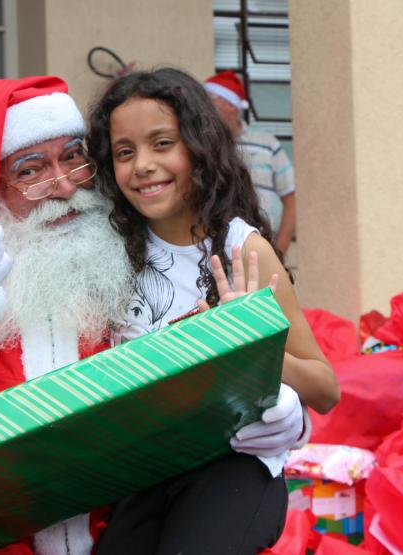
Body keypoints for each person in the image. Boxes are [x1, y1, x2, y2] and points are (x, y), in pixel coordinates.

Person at [0, 75, 319, 555]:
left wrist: (275, 409)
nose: (65, 186)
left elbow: (178, 346)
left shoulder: (112, 220)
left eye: (74, 156)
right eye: (30, 170)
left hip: (121, 521)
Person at [85, 67, 339, 553]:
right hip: (147, 475)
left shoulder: (245, 250)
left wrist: (247, 348)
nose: (142, 164)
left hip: (234, 471)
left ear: (199, 148)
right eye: (124, 151)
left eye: (162, 143)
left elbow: (326, 388)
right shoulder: (110, 256)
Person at [203, 70, 297, 255]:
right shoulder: (203, 146)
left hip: (262, 250)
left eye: (210, 99)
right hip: (214, 255)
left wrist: (280, 250)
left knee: (265, 286)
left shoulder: (267, 143)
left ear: (231, 104)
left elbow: (291, 198)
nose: (203, 107)